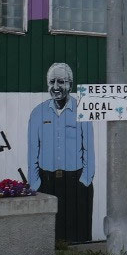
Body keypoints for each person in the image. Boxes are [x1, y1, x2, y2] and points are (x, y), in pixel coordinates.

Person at [26, 62, 95, 242]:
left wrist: (84, 181)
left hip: (76, 183)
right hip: (46, 183)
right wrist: (36, 184)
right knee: (47, 237)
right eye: (52, 82)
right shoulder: (37, 113)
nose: (56, 87)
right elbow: (33, 152)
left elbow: (88, 149)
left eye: (61, 82)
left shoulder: (82, 111)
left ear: (70, 85)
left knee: (78, 237)